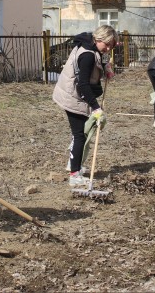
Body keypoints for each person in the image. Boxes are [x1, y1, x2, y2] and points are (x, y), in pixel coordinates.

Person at [52, 25, 118, 188]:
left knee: (81, 134)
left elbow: (97, 60)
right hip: (73, 96)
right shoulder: (87, 55)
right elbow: (82, 85)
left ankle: (74, 165)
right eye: (107, 44)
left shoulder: (90, 44)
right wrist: (96, 108)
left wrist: (106, 68)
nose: (108, 49)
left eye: (112, 45)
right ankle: (74, 174)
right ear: (98, 39)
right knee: (80, 134)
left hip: (76, 94)